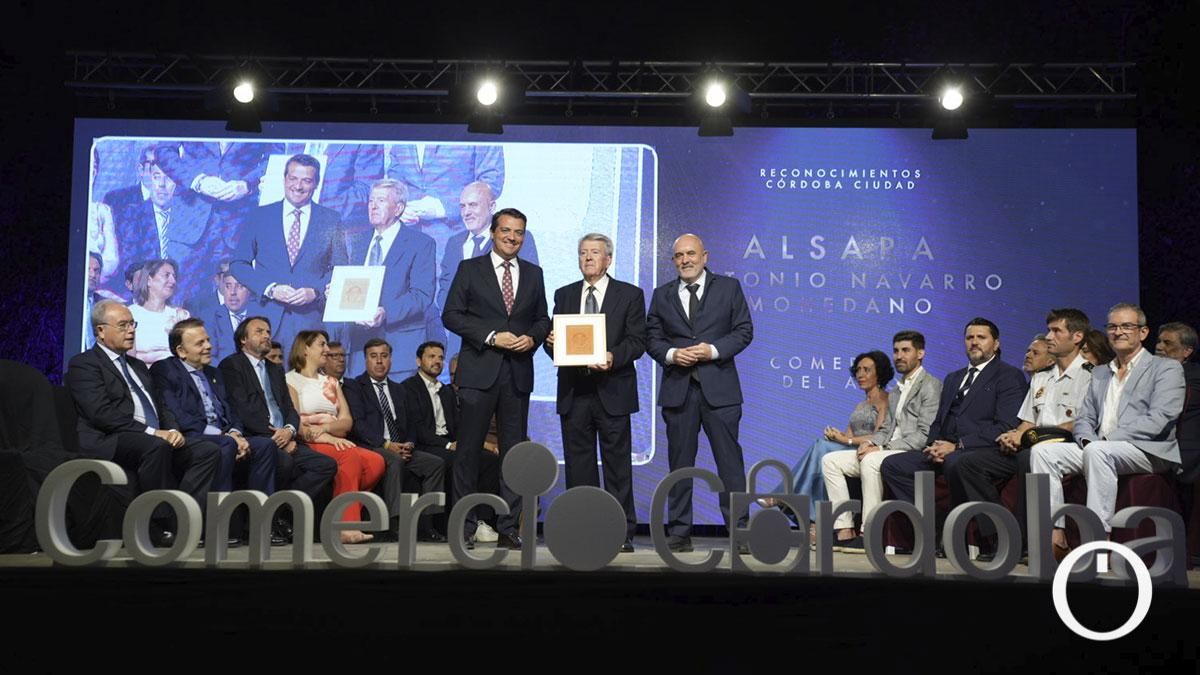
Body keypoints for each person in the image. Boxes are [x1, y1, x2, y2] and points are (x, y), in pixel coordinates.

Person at [1032, 304, 1185, 560]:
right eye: (1112, 326)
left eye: (1126, 326)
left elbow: (1160, 418)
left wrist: (1104, 441)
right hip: (1099, 447)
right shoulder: (1102, 372)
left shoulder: (1165, 368)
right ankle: (1055, 534)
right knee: (1043, 452)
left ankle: (1098, 543)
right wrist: (1087, 440)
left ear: (1143, 332)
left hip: (1148, 449)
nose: (1118, 332)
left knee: (1098, 452)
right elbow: (1085, 417)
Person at [66, 300, 220, 545]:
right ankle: (157, 524)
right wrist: (152, 432)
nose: (131, 331)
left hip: (151, 435)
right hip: (111, 438)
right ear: (101, 331)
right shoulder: (84, 364)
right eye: (123, 325)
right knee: (155, 446)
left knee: (207, 450)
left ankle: (184, 519)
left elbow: (161, 405)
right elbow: (101, 414)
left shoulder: (137, 365)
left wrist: (171, 429)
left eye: (132, 324)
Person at [441, 207, 550, 550]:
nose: (512, 237)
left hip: (517, 374)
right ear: (493, 232)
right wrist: (490, 337)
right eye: (506, 230)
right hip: (478, 373)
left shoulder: (533, 273)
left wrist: (532, 338)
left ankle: (508, 527)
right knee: (468, 453)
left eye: (518, 232)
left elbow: (542, 319)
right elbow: (451, 315)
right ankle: (465, 525)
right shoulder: (469, 269)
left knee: (513, 456)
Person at [949, 308, 1092, 559]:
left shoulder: (1091, 375)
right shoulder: (1042, 378)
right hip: (1030, 444)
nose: (1049, 336)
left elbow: (1080, 423)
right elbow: (1027, 421)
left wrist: (1031, 434)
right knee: (966, 463)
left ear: (1077, 337)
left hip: (1065, 448)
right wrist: (1014, 435)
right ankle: (1001, 534)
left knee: (1029, 457)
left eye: (1056, 331)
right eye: (1048, 330)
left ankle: (1025, 542)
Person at [646, 233, 754, 553]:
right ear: (673, 260)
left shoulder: (729, 288)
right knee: (680, 466)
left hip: (720, 391)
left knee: (730, 464)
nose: (685, 260)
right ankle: (679, 532)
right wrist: (671, 355)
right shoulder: (662, 295)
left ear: (705, 256)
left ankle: (740, 532)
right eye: (679, 256)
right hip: (678, 391)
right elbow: (652, 338)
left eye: (691, 254)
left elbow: (744, 330)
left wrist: (713, 350)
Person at [880, 317, 1028, 544]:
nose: (974, 342)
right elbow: (939, 421)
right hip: (946, 449)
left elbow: (1005, 425)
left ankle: (996, 536)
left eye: (981, 337)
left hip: (983, 450)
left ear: (996, 343)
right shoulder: (953, 378)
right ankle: (935, 525)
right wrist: (933, 446)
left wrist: (958, 446)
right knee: (893, 465)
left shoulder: (1009, 376)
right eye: (970, 337)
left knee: (957, 462)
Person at [544, 234, 646, 552]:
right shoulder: (564, 294)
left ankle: (621, 532)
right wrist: (552, 344)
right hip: (574, 392)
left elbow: (637, 341)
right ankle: (583, 530)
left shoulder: (630, 295)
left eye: (594, 252)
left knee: (618, 468)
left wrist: (613, 356)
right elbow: (556, 345)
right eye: (583, 253)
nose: (587, 257)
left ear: (608, 259)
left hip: (613, 390)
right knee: (578, 468)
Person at [218, 317, 336, 541]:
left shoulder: (274, 369)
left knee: (325, 465)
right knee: (284, 462)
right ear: (243, 339)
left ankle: (280, 508)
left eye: (268, 331)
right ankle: (265, 522)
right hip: (257, 437)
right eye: (259, 331)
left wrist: (289, 430)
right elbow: (242, 409)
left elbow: (289, 408)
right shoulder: (232, 365)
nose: (266, 336)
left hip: (285, 436)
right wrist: (275, 438)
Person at [822, 331, 941, 552]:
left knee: (871, 461)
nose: (899, 356)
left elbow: (924, 435)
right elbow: (886, 428)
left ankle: (870, 533)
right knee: (831, 461)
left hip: (910, 452)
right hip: (887, 449)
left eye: (905, 350)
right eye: (896, 351)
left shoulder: (930, 386)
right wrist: (870, 443)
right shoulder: (896, 390)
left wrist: (881, 447)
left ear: (920, 353)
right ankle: (844, 530)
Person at [764, 351, 890, 538]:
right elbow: (848, 434)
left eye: (866, 370)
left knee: (821, 448)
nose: (860, 375)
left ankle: (787, 497)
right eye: (858, 370)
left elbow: (879, 435)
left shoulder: (885, 400)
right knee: (821, 447)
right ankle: (811, 517)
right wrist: (836, 435)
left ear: (879, 373)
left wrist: (845, 440)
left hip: (867, 451)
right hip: (850, 449)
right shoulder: (860, 405)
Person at [230, 154, 348, 354]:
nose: (298, 186)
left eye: (306, 180)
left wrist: (315, 292)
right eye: (293, 178)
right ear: (284, 179)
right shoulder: (260, 216)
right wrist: (270, 288)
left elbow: (340, 269)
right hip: (265, 320)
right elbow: (238, 264)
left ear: (316, 183)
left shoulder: (331, 220)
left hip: (310, 323)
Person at [151, 318, 277, 499]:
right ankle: (219, 511)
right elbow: (177, 414)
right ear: (181, 351)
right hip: (193, 436)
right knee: (226, 444)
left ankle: (260, 511)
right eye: (200, 343)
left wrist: (235, 432)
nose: (208, 346)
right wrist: (224, 436)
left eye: (208, 340)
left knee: (265, 445)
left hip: (225, 435)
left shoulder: (214, 372)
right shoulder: (166, 369)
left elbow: (232, 409)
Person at [285, 330, 385, 544]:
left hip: (332, 437)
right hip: (310, 441)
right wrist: (328, 437)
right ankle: (346, 526)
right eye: (322, 345)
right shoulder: (291, 380)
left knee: (376, 462)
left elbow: (346, 421)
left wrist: (327, 428)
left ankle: (336, 510)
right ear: (305, 349)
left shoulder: (331, 382)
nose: (327, 350)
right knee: (349, 455)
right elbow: (297, 423)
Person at [346, 338, 446, 541]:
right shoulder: (355, 386)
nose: (379, 361)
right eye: (374, 356)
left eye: (384, 356)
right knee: (395, 461)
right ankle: (395, 523)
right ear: (366, 360)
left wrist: (409, 443)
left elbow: (411, 424)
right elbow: (358, 425)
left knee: (435, 464)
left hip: (400, 446)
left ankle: (427, 525)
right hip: (373, 447)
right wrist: (386, 445)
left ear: (390, 359)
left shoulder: (399, 389)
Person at [344, 179, 436, 381]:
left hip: (399, 350)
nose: (373, 206)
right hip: (359, 351)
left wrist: (386, 312)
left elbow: (422, 295)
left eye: (381, 200)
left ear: (399, 208)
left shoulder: (421, 243)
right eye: (371, 201)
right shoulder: (356, 241)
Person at [111, 145, 216, 310]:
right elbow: (130, 264)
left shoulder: (191, 219)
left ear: (179, 183)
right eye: (156, 177)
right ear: (149, 179)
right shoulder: (132, 215)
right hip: (143, 300)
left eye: (169, 178)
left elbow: (199, 271)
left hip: (184, 303)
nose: (161, 184)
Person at [1156, 322, 1200, 481]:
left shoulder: (1194, 376)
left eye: (1167, 343)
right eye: (1159, 341)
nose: (1159, 347)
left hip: (1180, 449)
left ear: (1187, 351)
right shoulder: (1147, 372)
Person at [128, 259, 191, 365]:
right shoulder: (130, 314)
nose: (173, 281)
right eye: (167, 275)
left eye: (174, 276)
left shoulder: (180, 316)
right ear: (149, 280)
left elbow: (189, 357)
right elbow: (129, 360)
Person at [208, 269, 258, 363]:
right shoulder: (211, 318)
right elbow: (209, 357)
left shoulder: (259, 316)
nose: (233, 292)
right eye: (228, 286)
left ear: (249, 290)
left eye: (239, 286)